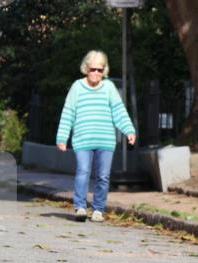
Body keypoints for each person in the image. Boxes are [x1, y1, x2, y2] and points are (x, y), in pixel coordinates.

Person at [55, 50, 137, 222]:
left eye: (100, 70)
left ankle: (98, 209)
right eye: (93, 69)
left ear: (104, 71)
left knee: (103, 175)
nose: (96, 73)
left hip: (105, 140)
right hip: (83, 140)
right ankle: (80, 207)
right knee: (83, 171)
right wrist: (62, 138)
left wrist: (129, 130)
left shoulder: (108, 88)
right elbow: (68, 113)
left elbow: (119, 110)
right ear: (86, 68)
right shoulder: (77, 87)